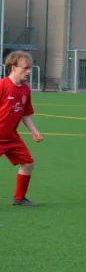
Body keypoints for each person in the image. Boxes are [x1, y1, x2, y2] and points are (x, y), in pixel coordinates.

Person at [0, 51, 44, 206]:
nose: (29, 71)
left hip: (12, 137)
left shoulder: (25, 89)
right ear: (13, 67)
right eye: (25, 68)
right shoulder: (2, 85)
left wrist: (34, 131)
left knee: (28, 163)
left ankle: (19, 199)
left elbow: (25, 114)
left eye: (29, 68)